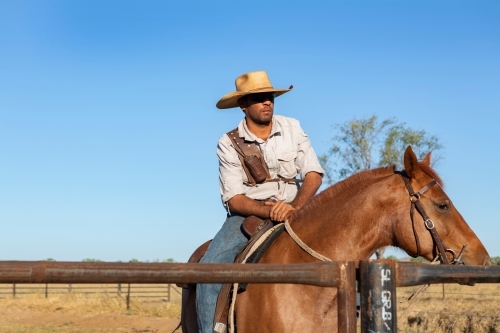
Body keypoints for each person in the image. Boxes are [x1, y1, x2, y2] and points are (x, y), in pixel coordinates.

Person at [196, 70, 324, 333]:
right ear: (243, 105)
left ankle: (353, 318)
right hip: (249, 215)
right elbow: (234, 199)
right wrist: (267, 209)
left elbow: (312, 173)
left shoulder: (293, 127)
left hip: (296, 207)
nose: (267, 102)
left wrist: (294, 208)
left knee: (344, 251)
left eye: (270, 96)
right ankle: (211, 329)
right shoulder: (228, 143)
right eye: (259, 98)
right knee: (211, 269)